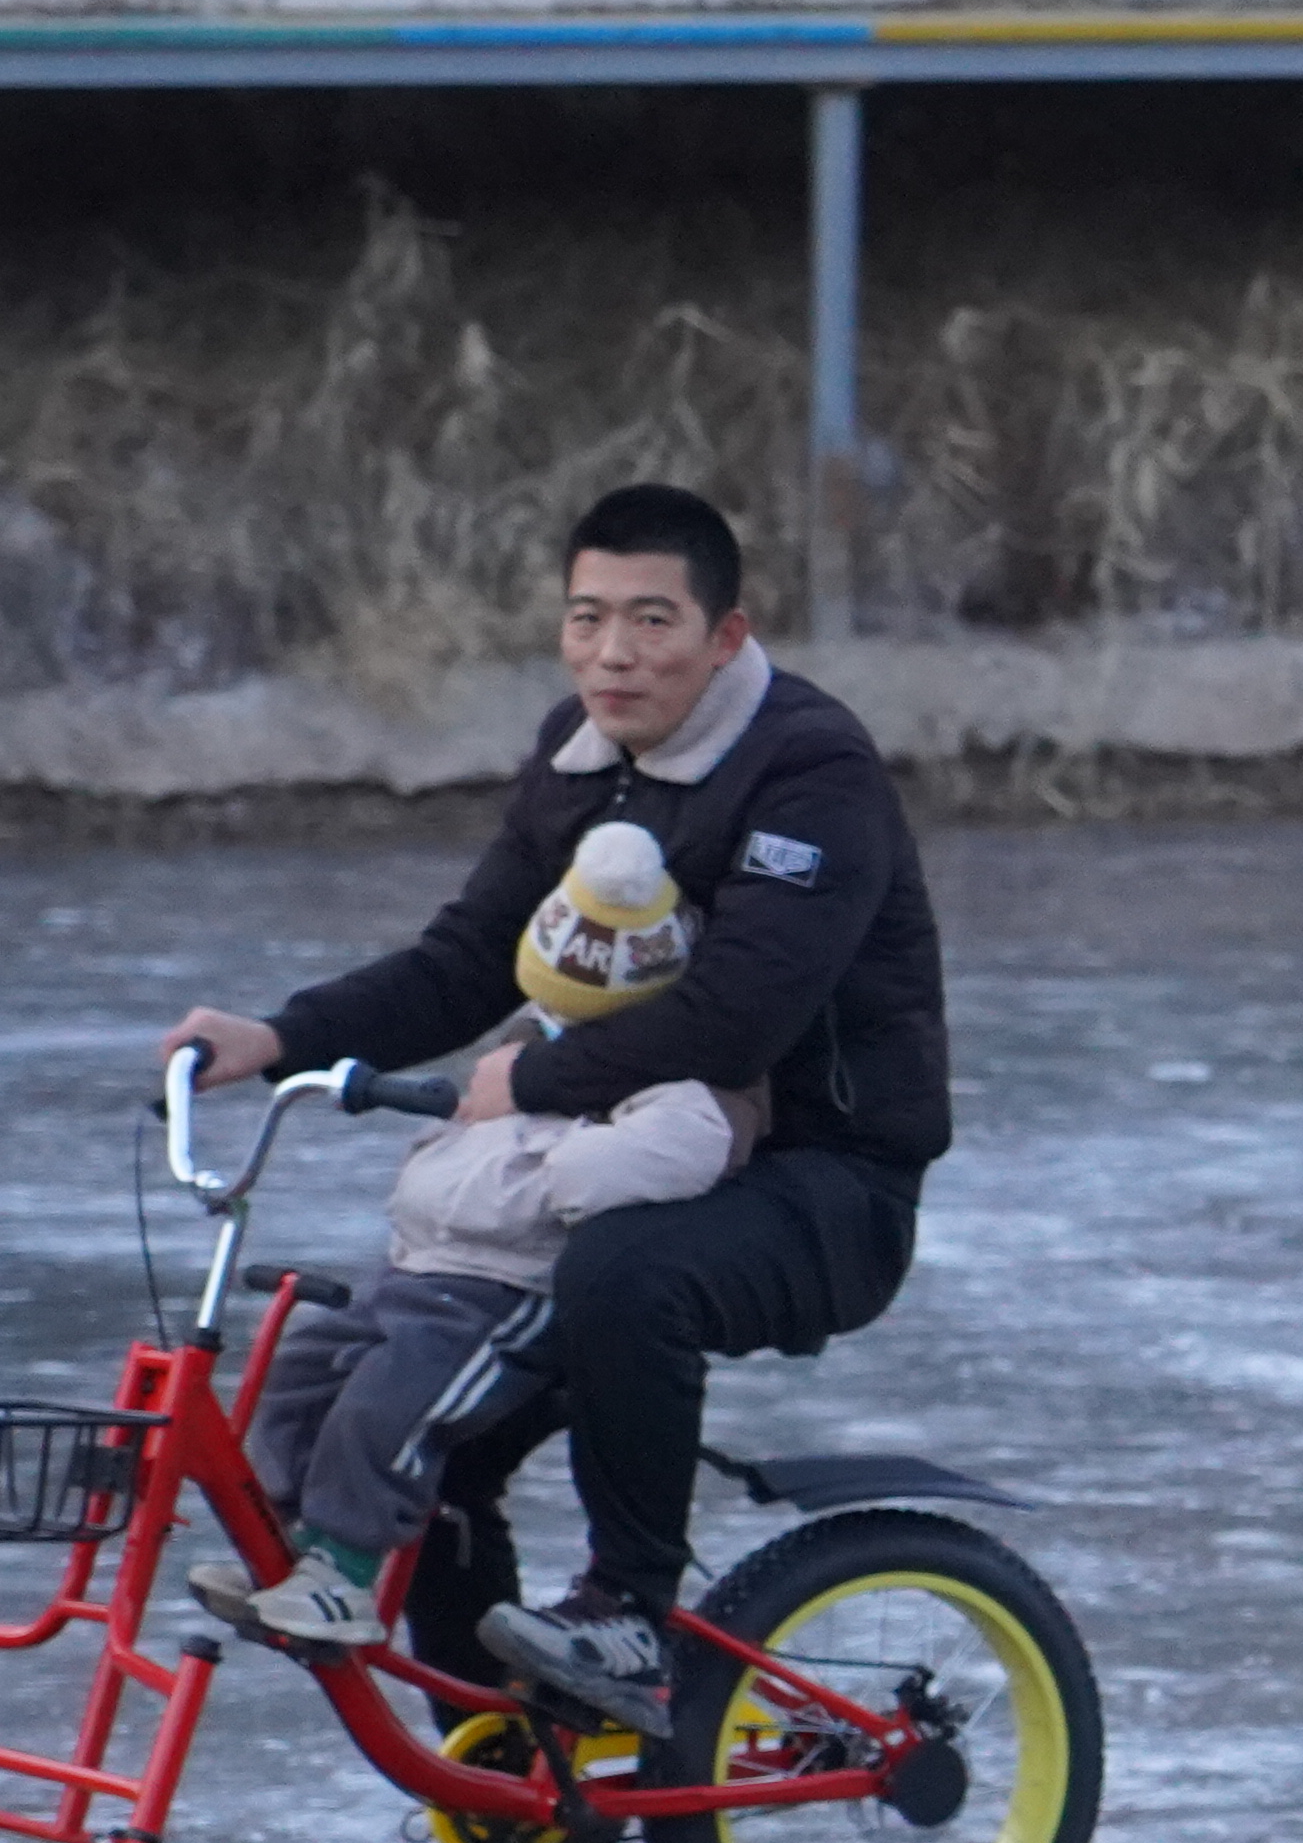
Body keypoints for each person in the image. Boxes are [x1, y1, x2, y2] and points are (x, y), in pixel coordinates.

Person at [156, 482, 947, 1750]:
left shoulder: (811, 770)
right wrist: (283, 1036)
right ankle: (513, 1775)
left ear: (726, 637)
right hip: (625, 1139)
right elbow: (475, 958)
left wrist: (523, 1084)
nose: (613, 653)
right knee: (433, 1415)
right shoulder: (580, 756)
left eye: (651, 620)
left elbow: (739, 1018)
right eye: (588, 618)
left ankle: (630, 1612)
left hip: (823, 1183)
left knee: (623, 1271)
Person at [188, 823, 759, 1654]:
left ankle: (345, 1565)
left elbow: (682, 1144)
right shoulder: (534, 1039)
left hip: (505, 1289)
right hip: (419, 1264)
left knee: (396, 1403)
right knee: (299, 1376)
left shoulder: (674, 1072)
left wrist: (556, 1163)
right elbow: (460, 1043)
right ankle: (284, 1539)